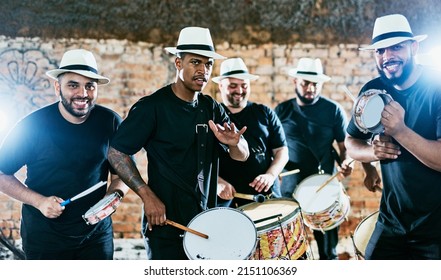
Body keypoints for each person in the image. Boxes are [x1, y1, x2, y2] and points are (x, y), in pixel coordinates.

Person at [107, 27, 249, 260]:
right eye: (195, 62)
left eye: (208, 64)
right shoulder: (151, 107)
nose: (203, 70)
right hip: (165, 225)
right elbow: (116, 153)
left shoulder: (211, 107)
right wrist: (147, 196)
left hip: (206, 223)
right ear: (178, 63)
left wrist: (234, 144)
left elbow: (242, 155)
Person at [0, 49, 129, 260]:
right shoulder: (32, 125)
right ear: (57, 87)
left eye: (90, 86)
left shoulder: (110, 122)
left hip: (95, 236)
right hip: (44, 236)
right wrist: (40, 201)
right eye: (73, 85)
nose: (83, 93)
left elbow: (121, 175)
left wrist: (114, 197)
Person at [345, 13, 441, 260]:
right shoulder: (372, 90)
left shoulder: (437, 87)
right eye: (380, 51)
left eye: (396, 48)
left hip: (435, 228)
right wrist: (371, 154)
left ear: (414, 47)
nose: (387, 57)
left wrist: (401, 131)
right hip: (391, 223)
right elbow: (351, 142)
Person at [274, 57, 353, 260]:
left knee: (328, 248)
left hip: (323, 181)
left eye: (315, 84)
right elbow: (272, 148)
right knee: (291, 245)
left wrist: (345, 163)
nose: (311, 88)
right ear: (295, 82)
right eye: (305, 83)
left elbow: (344, 145)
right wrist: (273, 171)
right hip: (291, 183)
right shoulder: (281, 111)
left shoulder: (332, 109)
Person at [212, 57, 289, 207]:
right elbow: (197, 159)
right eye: (233, 85)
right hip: (227, 198)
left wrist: (270, 175)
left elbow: (282, 150)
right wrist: (217, 182)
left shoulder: (265, 112)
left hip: (265, 195)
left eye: (244, 85)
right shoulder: (212, 117)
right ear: (221, 85)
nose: (239, 91)